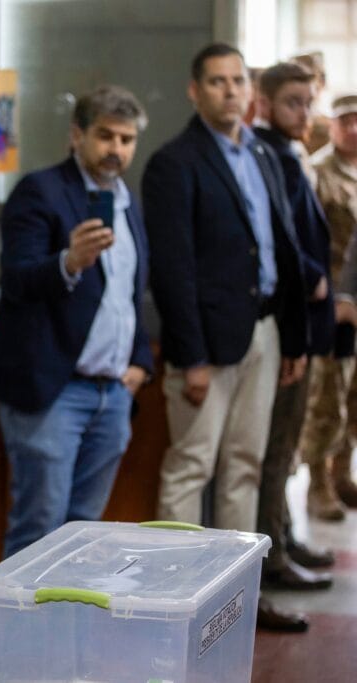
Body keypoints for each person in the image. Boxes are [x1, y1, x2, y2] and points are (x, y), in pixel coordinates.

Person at [0, 85, 154, 558]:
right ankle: (22, 634)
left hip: (112, 394)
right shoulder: (41, 191)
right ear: (77, 135)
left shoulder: (127, 201)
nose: (117, 149)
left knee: (85, 537)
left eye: (127, 139)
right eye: (106, 136)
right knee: (39, 532)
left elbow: (126, 293)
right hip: (53, 391)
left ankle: (69, 633)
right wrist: (69, 261)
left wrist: (139, 363)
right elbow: (17, 279)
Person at [142, 44, 308, 535]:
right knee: (191, 467)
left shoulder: (261, 152)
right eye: (217, 81)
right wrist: (191, 358)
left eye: (238, 80)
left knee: (245, 466)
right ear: (195, 91)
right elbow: (173, 271)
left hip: (264, 331)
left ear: (250, 89)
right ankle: (177, 600)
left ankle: (235, 601)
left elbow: (283, 245)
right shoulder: (174, 163)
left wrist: (292, 338)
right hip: (206, 346)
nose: (230, 91)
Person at [250, 61, 335, 631]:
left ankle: (284, 537)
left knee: (285, 450)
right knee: (273, 450)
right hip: (284, 323)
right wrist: (310, 274)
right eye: (293, 102)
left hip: (304, 325)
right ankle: (272, 556)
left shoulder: (289, 154)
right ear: (265, 102)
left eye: (309, 102)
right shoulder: (267, 157)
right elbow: (279, 238)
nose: (305, 113)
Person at [299, 93, 357, 520]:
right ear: (332, 125)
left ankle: (343, 473)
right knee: (328, 398)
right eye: (346, 121)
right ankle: (316, 482)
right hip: (335, 306)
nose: (354, 128)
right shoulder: (317, 173)